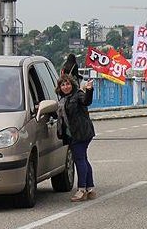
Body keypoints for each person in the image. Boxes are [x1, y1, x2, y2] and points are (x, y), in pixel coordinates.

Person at [55, 74, 96, 202]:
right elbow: (60, 114)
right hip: (73, 134)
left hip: (81, 133)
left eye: (67, 84)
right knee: (83, 158)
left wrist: (89, 90)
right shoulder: (63, 99)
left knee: (79, 159)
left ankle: (81, 189)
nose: (65, 87)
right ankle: (90, 188)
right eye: (63, 85)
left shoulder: (78, 94)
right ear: (59, 87)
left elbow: (86, 101)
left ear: (72, 84)